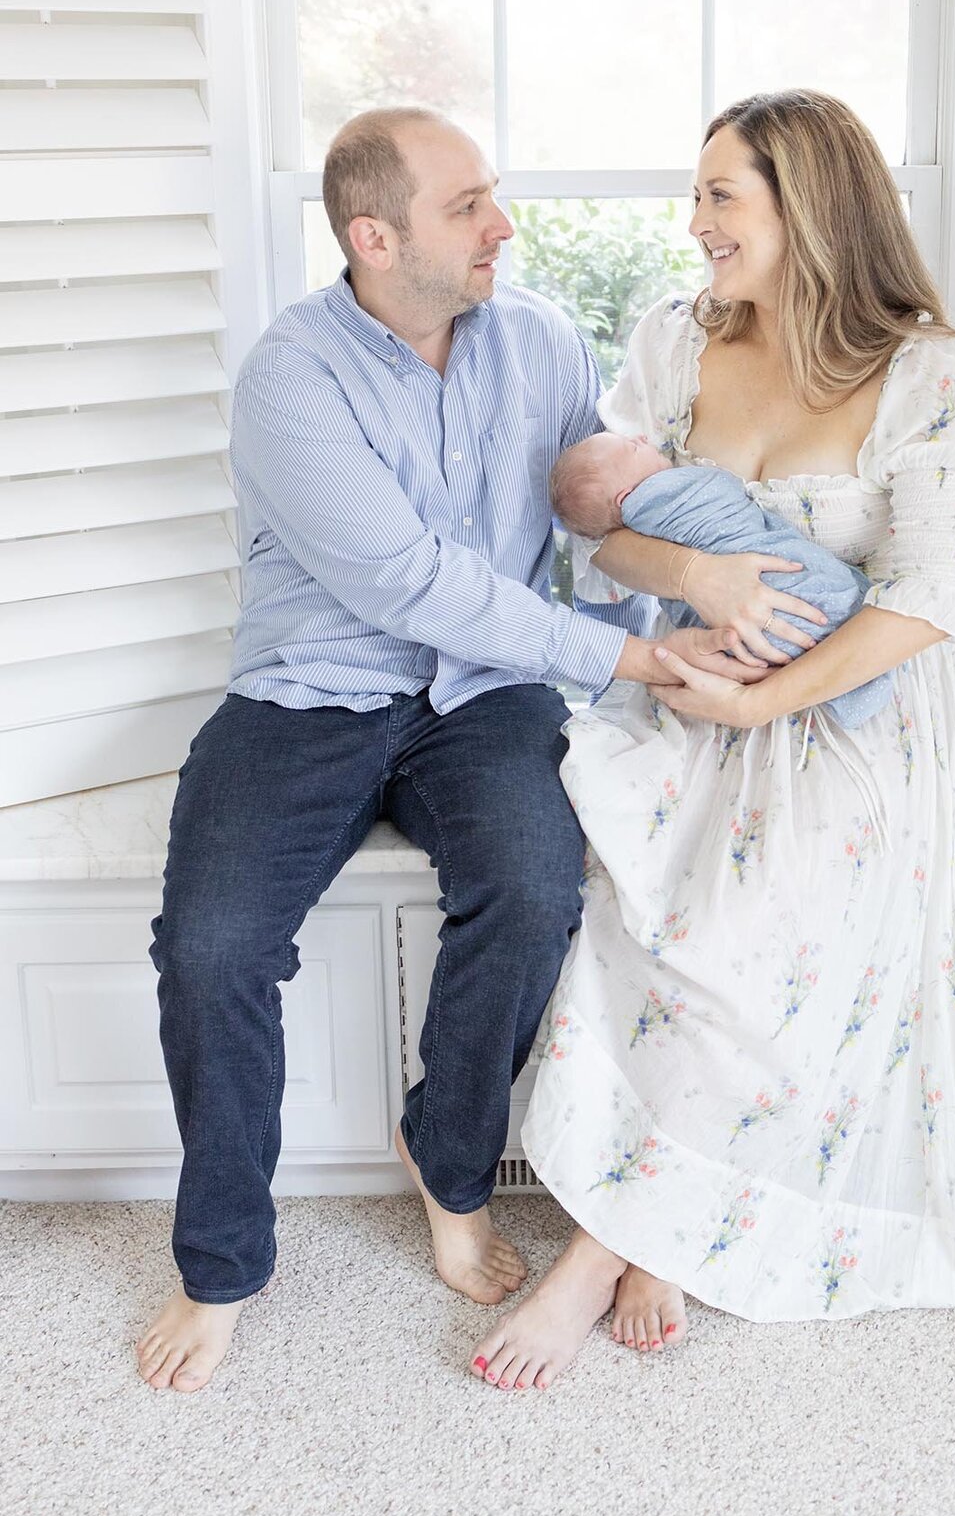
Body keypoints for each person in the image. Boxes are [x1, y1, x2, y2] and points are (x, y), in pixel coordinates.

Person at [134, 105, 781, 1395]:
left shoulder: (536, 338)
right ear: (375, 238)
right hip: (311, 692)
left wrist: (687, 627)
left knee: (536, 891)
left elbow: (598, 519)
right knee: (211, 948)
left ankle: (447, 1161)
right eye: (467, 206)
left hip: (489, 693)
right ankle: (220, 1265)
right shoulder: (291, 377)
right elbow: (406, 583)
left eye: (494, 196)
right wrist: (633, 659)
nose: (503, 224)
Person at [470, 88, 955, 1395]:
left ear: (809, 205)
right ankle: (663, 1226)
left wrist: (766, 701)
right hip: (695, 679)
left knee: (764, 921)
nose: (693, 226)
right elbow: (602, 532)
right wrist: (710, 593)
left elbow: (926, 596)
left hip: (862, 709)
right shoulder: (681, 343)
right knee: (641, 894)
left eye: (719, 196)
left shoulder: (931, 374)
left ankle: (596, 1253)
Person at [550, 430, 894, 729]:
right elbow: (600, 548)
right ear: (627, 499)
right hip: (715, 668)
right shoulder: (658, 499)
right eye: (632, 447)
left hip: (873, 638)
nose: (641, 438)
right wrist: (694, 574)